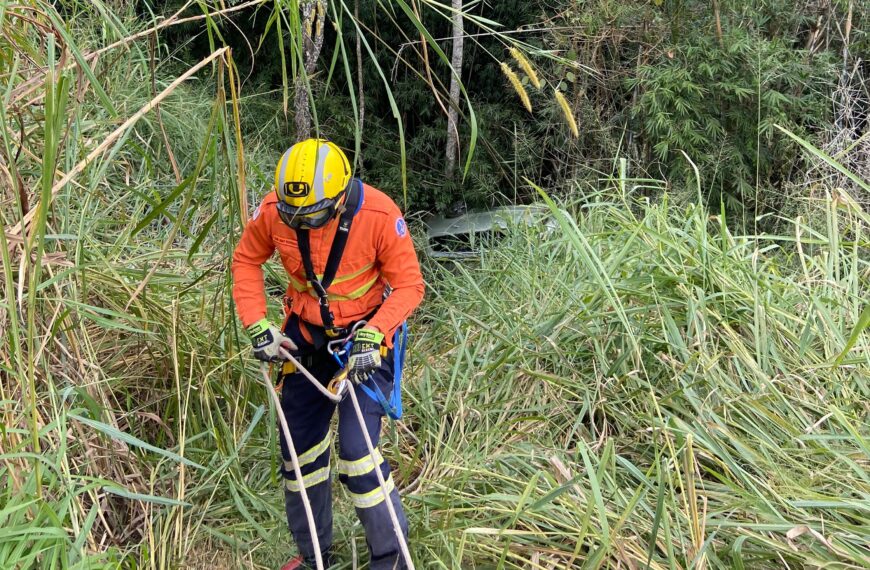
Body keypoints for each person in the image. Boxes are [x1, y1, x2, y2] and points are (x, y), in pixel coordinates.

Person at [231, 139, 424, 569]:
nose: (301, 224)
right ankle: (314, 554)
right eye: (291, 216)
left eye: (313, 217)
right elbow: (246, 259)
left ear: (338, 200)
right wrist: (256, 322)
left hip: (364, 344)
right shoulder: (274, 209)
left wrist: (375, 333)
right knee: (299, 455)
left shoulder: (378, 215)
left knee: (358, 455)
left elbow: (410, 285)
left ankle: (392, 559)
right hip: (306, 340)